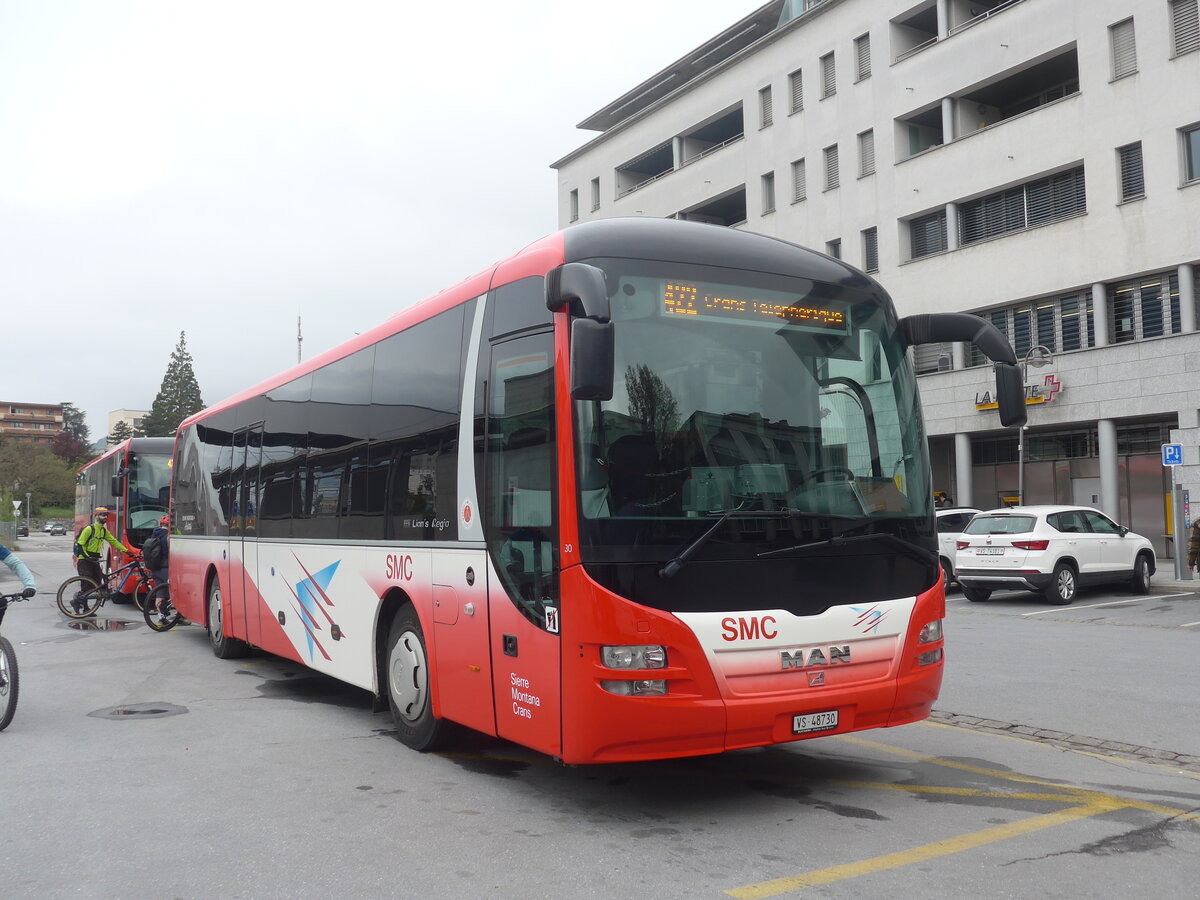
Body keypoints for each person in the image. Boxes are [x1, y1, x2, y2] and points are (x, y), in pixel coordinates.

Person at [73, 507, 130, 607]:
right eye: (103, 515)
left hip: (94, 560)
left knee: (98, 583)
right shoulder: (89, 529)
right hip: (85, 560)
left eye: (106, 516)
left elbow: (113, 541)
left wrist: (127, 551)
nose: (105, 518)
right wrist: (86, 557)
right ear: (96, 516)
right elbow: (80, 544)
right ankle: (82, 605)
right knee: (86, 584)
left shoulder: (103, 531)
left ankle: (85, 606)